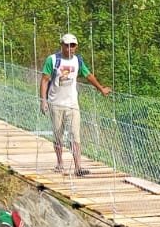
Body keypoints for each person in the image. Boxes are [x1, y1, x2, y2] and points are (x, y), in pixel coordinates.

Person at [38, 32, 111, 177]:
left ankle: (78, 167)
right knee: (58, 135)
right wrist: (43, 101)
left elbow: (88, 75)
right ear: (62, 45)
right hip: (56, 103)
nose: (70, 48)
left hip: (72, 103)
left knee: (75, 135)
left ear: (76, 46)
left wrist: (101, 88)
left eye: (73, 45)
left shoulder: (78, 61)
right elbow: (45, 80)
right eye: (67, 45)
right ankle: (60, 164)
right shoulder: (52, 60)